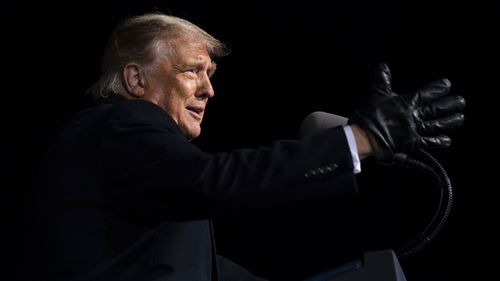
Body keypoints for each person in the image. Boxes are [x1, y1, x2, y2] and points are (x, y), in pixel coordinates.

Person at [32, 11, 465, 281]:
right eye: (191, 71)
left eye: (211, 76)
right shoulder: (121, 122)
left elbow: (184, 263)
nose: (208, 91)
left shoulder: (133, 166)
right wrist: (361, 139)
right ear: (135, 79)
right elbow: (212, 181)